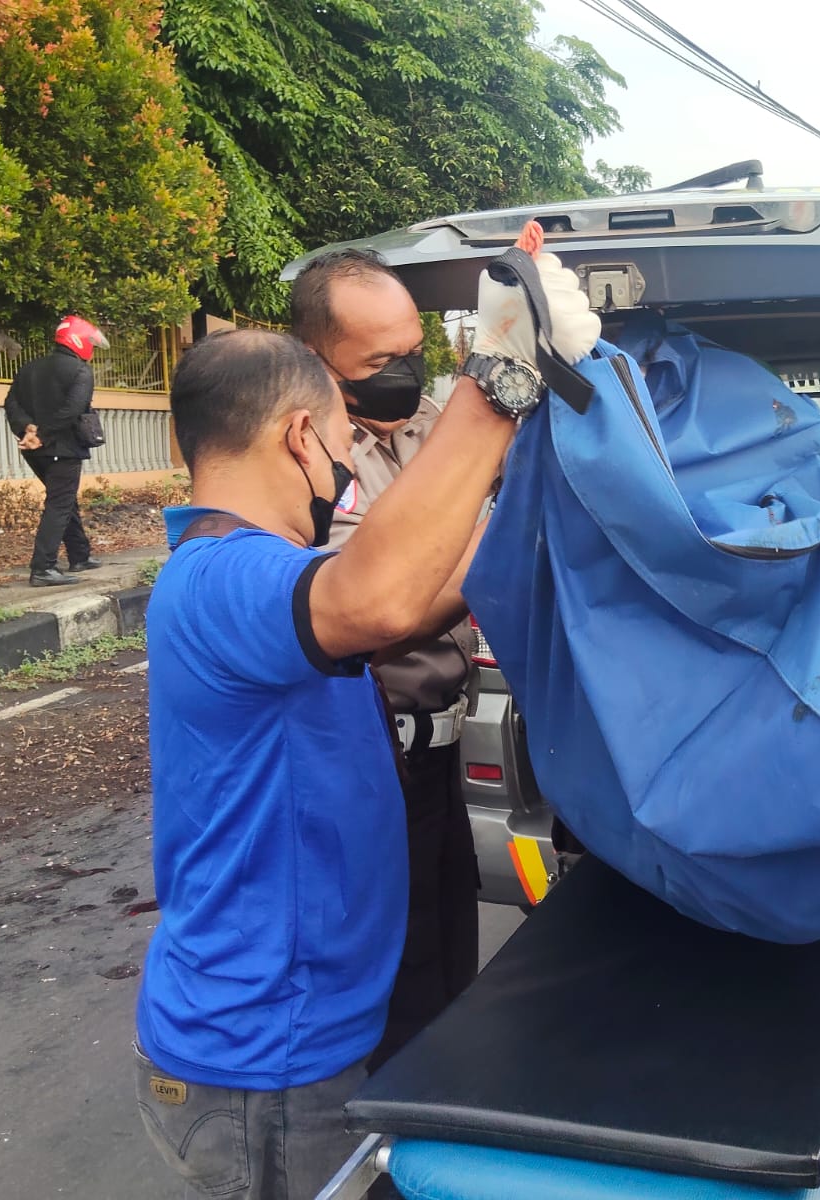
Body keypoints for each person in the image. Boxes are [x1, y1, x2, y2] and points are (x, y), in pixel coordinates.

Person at [134, 243, 598, 1199]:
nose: (351, 460)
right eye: (344, 438)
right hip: (265, 1068)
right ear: (303, 436)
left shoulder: (267, 574)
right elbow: (381, 598)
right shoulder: (225, 579)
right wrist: (498, 377)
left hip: (308, 1037)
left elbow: (427, 584)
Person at [289, 248, 483, 1069]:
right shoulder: (308, 464)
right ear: (317, 361)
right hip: (373, 757)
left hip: (444, 747)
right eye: (378, 362)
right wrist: (493, 541)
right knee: (393, 977)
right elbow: (380, 608)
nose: (404, 373)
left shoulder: (435, 423)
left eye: (413, 351)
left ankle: (439, 1108)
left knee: (451, 959)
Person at [3, 314, 109, 586]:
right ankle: (43, 568)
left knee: (64, 499)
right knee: (59, 504)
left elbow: (11, 402)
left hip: (33, 450)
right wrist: (43, 435)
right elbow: (72, 410)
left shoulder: (29, 368)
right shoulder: (80, 371)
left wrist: (28, 429)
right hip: (63, 448)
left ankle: (79, 555)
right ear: (79, 341)